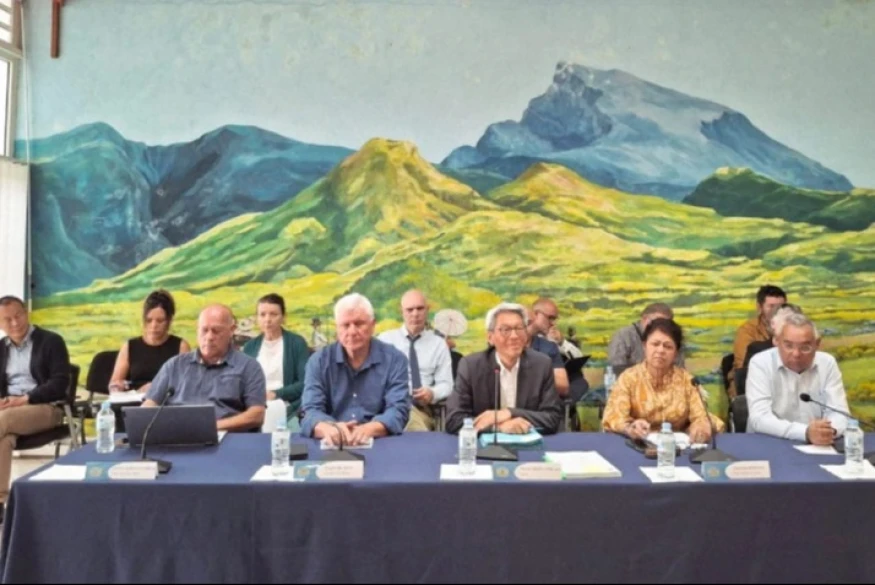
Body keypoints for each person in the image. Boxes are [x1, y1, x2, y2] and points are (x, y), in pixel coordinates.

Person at [300, 293, 410, 446]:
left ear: (372, 325)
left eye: (359, 324)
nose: (352, 331)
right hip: (332, 444)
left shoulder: (395, 360)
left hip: (380, 441)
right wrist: (328, 428)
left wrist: (370, 428)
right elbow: (310, 410)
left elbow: (398, 409)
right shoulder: (318, 361)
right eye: (345, 325)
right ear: (337, 328)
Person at [144, 304, 266, 431]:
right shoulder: (175, 365)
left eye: (216, 331)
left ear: (232, 330)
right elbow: (149, 405)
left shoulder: (248, 367)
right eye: (204, 330)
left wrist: (211, 427)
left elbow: (257, 415)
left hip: (225, 435)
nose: (209, 337)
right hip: (178, 435)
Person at [0, 296, 70, 517]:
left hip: (45, 407)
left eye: (18, 315)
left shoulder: (51, 342)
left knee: (3, 421)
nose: (15, 323)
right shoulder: (1, 348)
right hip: (9, 412)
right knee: (4, 439)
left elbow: (60, 383)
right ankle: (0, 502)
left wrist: (25, 399)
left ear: (26, 313)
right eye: (7, 319)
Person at [446, 302, 562, 435]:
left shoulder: (541, 365)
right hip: (484, 445)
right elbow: (454, 420)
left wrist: (509, 413)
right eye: (505, 330)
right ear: (490, 337)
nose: (514, 336)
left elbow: (552, 418)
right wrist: (498, 427)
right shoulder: (471, 366)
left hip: (527, 441)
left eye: (519, 328)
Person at [602, 318, 724, 442]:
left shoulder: (687, 380)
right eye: (655, 344)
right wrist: (630, 428)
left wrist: (700, 427)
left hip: (676, 446)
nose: (660, 350)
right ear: (644, 346)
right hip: (637, 443)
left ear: (676, 353)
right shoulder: (629, 378)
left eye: (668, 346)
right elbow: (614, 416)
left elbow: (701, 416)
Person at [746, 312, 850, 445]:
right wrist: (805, 432)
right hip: (770, 443)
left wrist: (829, 431)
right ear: (776, 341)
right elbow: (759, 418)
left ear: (817, 344)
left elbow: (839, 412)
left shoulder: (827, 363)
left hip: (818, 444)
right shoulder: (761, 363)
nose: (796, 354)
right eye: (788, 346)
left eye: (805, 348)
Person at [378, 290, 453, 431]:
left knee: (411, 420)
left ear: (427, 310)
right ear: (401, 311)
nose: (415, 314)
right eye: (410, 310)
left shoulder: (438, 344)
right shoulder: (385, 340)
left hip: (420, 409)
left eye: (420, 308)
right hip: (389, 405)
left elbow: (447, 384)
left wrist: (432, 393)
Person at [242, 293, 309, 430]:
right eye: (262, 314)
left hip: (289, 407)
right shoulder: (249, 347)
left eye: (273, 314)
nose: (267, 319)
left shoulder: (297, 343)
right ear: (257, 318)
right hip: (256, 408)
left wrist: (276, 394)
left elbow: (305, 382)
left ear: (283, 317)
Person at [109, 290, 190, 393]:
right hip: (135, 400)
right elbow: (114, 384)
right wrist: (117, 387)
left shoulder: (181, 347)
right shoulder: (129, 346)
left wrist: (157, 388)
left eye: (160, 321)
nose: (153, 326)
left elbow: (187, 385)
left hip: (167, 400)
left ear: (169, 320)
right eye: (149, 320)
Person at [729, 285, 787, 396]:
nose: (776, 311)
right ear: (759, 307)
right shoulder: (747, 330)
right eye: (771, 306)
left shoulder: (794, 329)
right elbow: (744, 367)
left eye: (781, 307)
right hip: (751, 385)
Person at [607, 303, 683, 376]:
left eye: (666, 324)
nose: (661, 327)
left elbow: (680, 370)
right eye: (657, 322)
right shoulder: (623, 336)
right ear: (644, 319)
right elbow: (615, 369)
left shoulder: (673, 338)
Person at [526, 298, 570, 397]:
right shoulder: (507, 344)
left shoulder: (549, 347)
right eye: (550, 318)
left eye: (554, 319)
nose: (553, 323)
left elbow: (563, 387)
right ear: (535, 314)